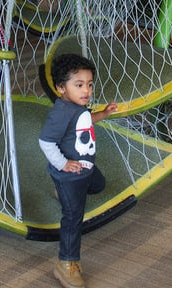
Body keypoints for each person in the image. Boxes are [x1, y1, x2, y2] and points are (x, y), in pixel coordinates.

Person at [38, 52, 117, 288]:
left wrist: (104, 113)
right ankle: (66, 264)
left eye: (90, 85)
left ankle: (61, 192)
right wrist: (62, 164)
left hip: (86, 168)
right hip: (69, 173)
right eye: (79, 85)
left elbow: (86, 121)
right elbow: (46, 142)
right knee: (73, 218)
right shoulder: (61, 112)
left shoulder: (79, 107)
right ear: (62, 88)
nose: (87, 91)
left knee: (99, 185)